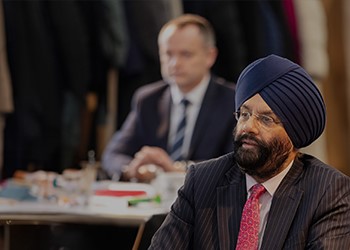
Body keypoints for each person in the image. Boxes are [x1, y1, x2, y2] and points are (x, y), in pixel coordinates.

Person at [149, 54, 350, 249]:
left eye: (266, 119)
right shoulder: (202, 180)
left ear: (294, 136)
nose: (248, 127)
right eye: (244, 114)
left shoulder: (328, 192)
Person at [102, 14, 236, 182]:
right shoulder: (147, 99)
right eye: (168, 54)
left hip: (208, 202)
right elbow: (112, 155)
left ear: (210, 56)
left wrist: (176, 169)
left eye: (185, 54)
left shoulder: (233, 101)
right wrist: (134, 169)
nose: (174, 63)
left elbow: (235, 163)